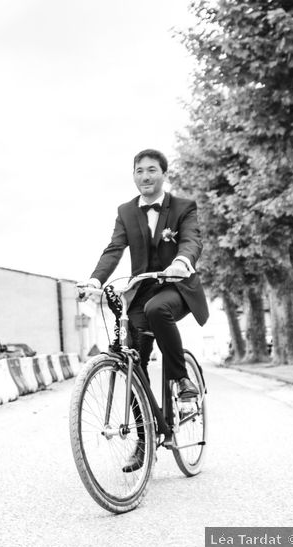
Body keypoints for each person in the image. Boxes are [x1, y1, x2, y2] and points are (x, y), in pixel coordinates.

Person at [79, 148, 208, 472]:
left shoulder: (182, 207)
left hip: (176, 287)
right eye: (139, 171)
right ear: (134, 175)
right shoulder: (126, 211)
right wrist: (95, 280)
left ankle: (180, 381)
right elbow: (114, 250)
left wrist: (182, 261)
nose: (145, 176)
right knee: (131, 362)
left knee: (156, 309)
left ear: (164, 173)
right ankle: (145, 437)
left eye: (152, 170)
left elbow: (191, 240)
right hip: (142, 290)